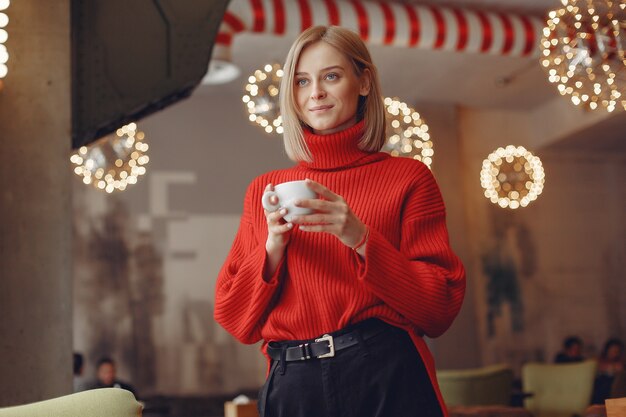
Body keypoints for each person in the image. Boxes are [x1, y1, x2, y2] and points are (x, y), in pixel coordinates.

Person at [214, 25, 465, 417]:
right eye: (301, 81)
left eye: (331, 76)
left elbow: (440, 308)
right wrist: (272, 249)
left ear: (363, 81)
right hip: (292, 384)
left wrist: (361, 238)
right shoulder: (265, 190)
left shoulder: (408, 177)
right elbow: (234, 318)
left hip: (385, 373)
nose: (315, 92)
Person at [592, 338, 625, 404]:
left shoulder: (620, 363)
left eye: (617, 351)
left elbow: (620, 369)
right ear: (607, 350)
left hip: (614, 393)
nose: (615, 353)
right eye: (612, 351)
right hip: (600, 392)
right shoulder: (599, 361)